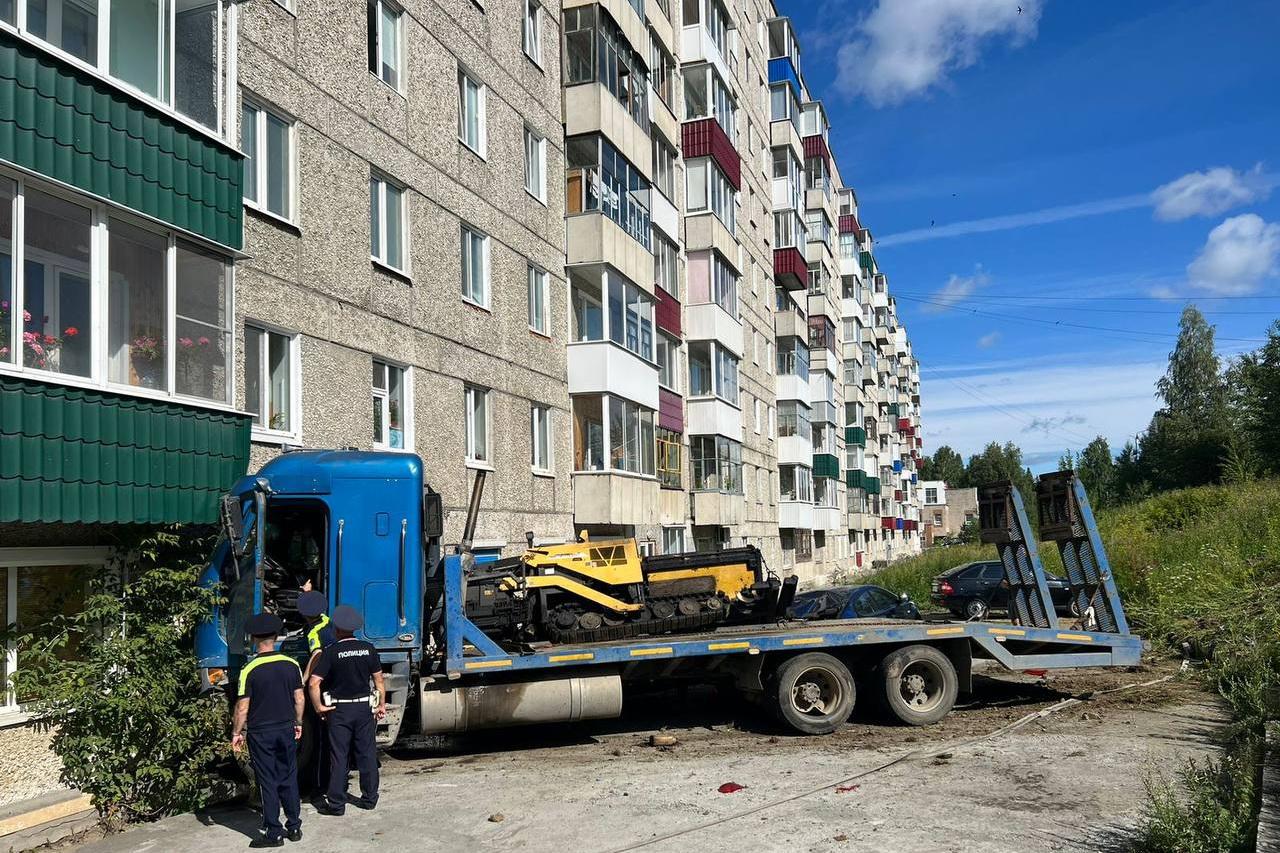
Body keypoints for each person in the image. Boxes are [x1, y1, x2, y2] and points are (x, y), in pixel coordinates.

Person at [231, 613, 304, 848]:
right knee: (289, 776)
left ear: (254, 639)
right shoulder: (292, 664)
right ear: (276, 636)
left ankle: (273, 832)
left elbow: (243, 707)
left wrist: (237, 732)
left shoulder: (249, 669)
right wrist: (298, 723)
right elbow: (299, 698)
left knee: (267, 781)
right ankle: (294, 826)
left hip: (261, 732)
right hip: (286, 728)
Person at [309, 605, 385, 816]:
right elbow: (378, 680)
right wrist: (380, 704)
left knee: (339, 756)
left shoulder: (331, 652)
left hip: (339, 710)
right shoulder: (368, 648)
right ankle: (369, 798)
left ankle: (337, 804)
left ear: (337, 629)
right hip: (363, 708)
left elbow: (314, 683)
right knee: (367, 754)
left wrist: (318, 707)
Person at [296, 591, 334, 793]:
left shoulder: (314, 633)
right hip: (338, 679)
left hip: (324, 683)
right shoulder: (328, 621)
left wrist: (304, 678)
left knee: (321, 736)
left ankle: (321, 785)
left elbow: (317, 654)